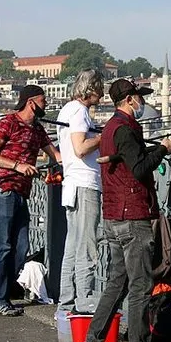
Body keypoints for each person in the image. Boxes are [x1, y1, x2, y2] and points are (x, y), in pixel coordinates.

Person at [77, 78, 171, 342]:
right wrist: (164, 149)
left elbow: (129, 160)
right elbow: (141, 168)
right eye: (139, 97)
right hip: (132, 216)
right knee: (141, 283)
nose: (142, 101)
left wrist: (150, 148)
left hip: (113, 215)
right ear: (130, 99)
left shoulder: (110, 128)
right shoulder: (125, 128)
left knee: (117, 282)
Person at [0, 85, 61, 316]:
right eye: (43, 100)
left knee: (21, 246)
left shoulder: (37, 129)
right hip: (2, 189)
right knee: (2, 246)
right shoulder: (9, 122)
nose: (46, 104)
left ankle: (4, 293)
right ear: (31, 102)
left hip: (21, 193)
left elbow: (56, 155)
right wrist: (17, 166)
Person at [56, 70, 104, 314]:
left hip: (72, 185)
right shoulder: (79, 111)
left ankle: (65, 303)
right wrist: (102, 137)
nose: (102, 93)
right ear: (90, 89)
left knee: (72, 246)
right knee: (87, 246)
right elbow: (80, 148)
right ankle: (84, 302)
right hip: (85, 185)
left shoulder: (67, 109)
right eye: (100, 88)